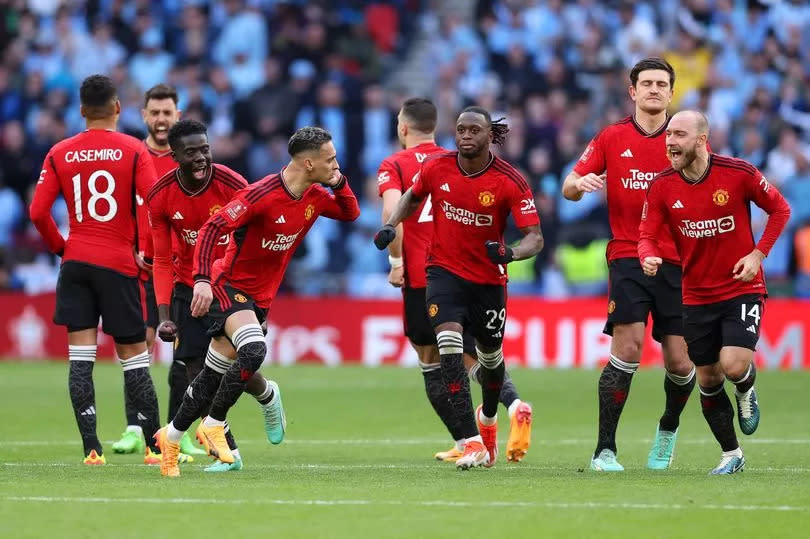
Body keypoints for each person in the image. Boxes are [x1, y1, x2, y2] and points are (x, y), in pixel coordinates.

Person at [154, 126, 360, 477]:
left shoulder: (314, 195)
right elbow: (211, 229)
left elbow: (350, 212)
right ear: (309, 163)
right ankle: (215, 423)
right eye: (331, 160)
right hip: (227, 285)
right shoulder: (260, 194)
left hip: (261, 297)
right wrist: (202, 280)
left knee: (209, 374)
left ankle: (170, 441)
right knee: (254, 350)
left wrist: (339, 183)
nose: (336, 164)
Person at [374, 107, 543, 469]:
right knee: (448, 345)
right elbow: (412, 196)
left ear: (489, 136)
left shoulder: (510, 180)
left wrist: (510, 253)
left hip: (488, 280)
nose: (465, 135)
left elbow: (535, 238)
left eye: (474, 130)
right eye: (461, 129)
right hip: (442, 273)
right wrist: (391, 225)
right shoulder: (437, 167)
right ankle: (471, 442)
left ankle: (489, 422)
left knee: (490, 359)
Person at [561, 57, 696, 472]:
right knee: (628, 349)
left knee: (680, 361)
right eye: (647, 83)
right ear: (632, 91)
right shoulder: (610, 137)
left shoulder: (688, 140)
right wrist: (579, 185)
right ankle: (605, 450)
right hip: (627, 254)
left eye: (662, 84)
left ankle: (667, 430)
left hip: (679, 261)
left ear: (671, 93)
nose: (654, 89)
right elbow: (568, 185)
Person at [639, 110, 790, 474]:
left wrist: (758, 254)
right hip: (695, 295)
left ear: (702, 140)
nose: (670, 141)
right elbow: (646, 234)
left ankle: (745, 388)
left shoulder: (738, 173)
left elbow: (780, 209)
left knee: (734, 365)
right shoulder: (661, 185)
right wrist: (647, 255)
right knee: (707, 378)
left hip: (741, 286)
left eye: (679, 134)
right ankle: (731, 454)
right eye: (668, 135)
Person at [29, 74, 162, 465]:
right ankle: (156, 449)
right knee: (135, 359)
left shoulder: (60, 152)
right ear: (118, 108)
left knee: (80, 359)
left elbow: (38, 212)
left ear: (82, 111)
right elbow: (151, 208)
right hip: (119, 264)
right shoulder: (134, 149)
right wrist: (148, 255)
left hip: (77, 262)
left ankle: (91, 449)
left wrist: (61, 247)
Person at [148, 119, 287, 472]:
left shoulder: (232, 184)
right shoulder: (161, 195)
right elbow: (162, 258)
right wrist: (164, 313)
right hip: (185, 288)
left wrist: (212, 280)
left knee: (233, 361)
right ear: (174, 154)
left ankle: (267, 394)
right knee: (198, 371)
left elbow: (251, 241)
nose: (200, 158)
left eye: (205, 149)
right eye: (191, 152)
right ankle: (230, 453)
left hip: (227, 286)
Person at [112, 83, 206, 457]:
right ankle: (135, 427)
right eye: (155, 112)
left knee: (181, 354)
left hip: (177, 271)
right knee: (138, 347)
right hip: (136, 268)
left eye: (168, 112)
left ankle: (176, 430)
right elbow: (117, 210)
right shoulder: (132, 156)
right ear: (144, 116)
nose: (162, 119)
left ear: (177, 116)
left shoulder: (187, 160)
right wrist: (129, 248)